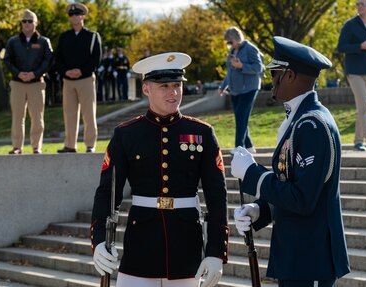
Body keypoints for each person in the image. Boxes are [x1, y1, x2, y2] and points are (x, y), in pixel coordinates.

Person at [90, 52, 229, 287]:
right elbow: (107, 192)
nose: (173, 92)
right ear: (146, 89)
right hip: (140, 245)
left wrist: (216, 252)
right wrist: (100, 240)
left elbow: (217, 196)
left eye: (177, 85)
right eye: (164, 86)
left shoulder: (202, 133)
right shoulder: (126, 134)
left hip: (186, 246)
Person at [231, 36, 351, 287]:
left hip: (310, 257)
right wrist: (259, 210)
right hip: (297, 257)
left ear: (291, 76)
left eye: (275, 73)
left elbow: (303, 199)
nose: (271, 80)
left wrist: (253, 174)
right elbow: (290, 186)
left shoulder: (312, 125)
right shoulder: (301, 120)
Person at [3, 9, 53, 154]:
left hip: (36, 84)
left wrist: (35, 74)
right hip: (18, 83)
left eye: (30, 21)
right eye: (24, 21)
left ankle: (36, 147)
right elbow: (7, 60)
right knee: (18, 117)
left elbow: (48, 60)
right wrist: (18, 73)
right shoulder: (13, 41)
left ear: (36, 23)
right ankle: (17, 147)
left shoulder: (44, 42)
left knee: (37, 117)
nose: (26, 23)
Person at [55, 2, 102, 153]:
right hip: (68, 80)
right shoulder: (64, 37)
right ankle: (70, 145)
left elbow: (96, 58)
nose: (74, 17)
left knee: (88, 113)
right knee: (69, 114)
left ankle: (90, 145)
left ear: (83, 16)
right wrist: (66, 71)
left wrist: (82, 71)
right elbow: (58, 58)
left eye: (77, 14)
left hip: (86, 79)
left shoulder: (92, 36)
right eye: (71, 15)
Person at [337, 0, 366, 151]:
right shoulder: (350, 25)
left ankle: (358, 141)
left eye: (363, 4)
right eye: (358, 4)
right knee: (364, 105)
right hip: (355, 72)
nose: (359, 6)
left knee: (365, 108)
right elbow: (340, 47)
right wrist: (359, 46)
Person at [218, 26, 264, 154]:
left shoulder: (250, 49)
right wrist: (223, 86)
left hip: (249, 89)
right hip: (235, 90)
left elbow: (258, 68)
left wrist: (241, 65)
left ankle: (239, 147)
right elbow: (230, 72)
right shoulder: (233, 51)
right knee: (240, 118)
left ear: (237, 39)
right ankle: (249, 146)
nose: (229, 45)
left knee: (241, 117)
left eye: (230, 42)